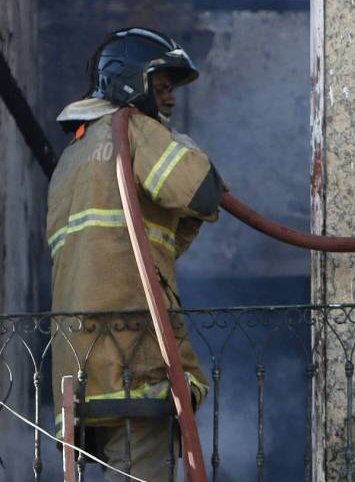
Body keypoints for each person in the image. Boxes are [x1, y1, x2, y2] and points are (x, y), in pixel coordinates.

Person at [49, 27, 224, 480]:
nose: (169, 100)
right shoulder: (134, 130)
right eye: (161, 86)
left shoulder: (73, 156)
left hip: (81, 369)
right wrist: (180, 144)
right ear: (130, 83)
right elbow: (200, 190)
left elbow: (149, 244)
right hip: (134, 359)